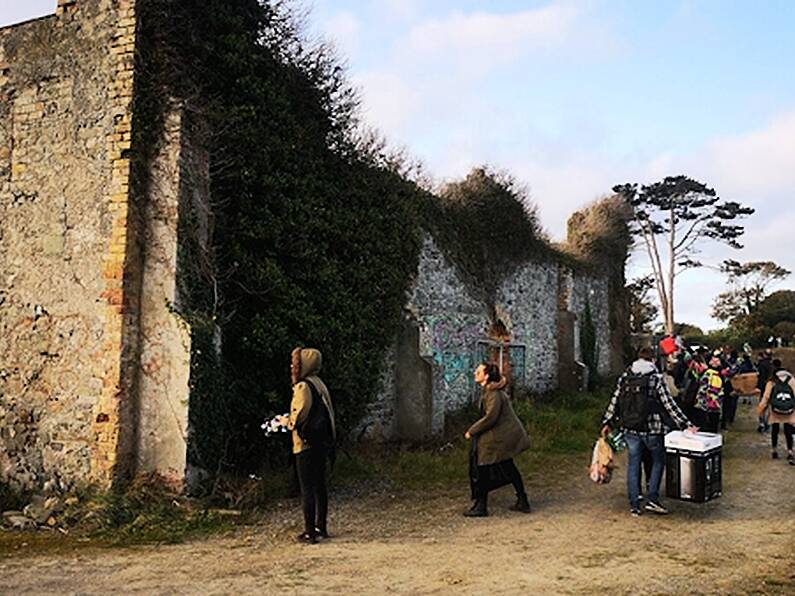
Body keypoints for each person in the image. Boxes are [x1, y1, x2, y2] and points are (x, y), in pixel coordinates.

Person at [601, 347, 697, 517]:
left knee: (633, 464)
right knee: (658, 462)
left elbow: (615, 400)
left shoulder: (625, 377)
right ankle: (652, 498)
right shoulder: (656, 378)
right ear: (652, 360)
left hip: (630, 428)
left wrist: (607, 421)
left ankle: (634, 504)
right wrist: (686, 424)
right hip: (653, 429)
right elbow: (669, 405)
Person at [280, 347, 336, 544]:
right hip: (321, 442)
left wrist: (285, 422)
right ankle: (321, 526)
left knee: (307, 487)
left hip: (306, 443)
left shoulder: (303, 387)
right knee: (320, 485)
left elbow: (300, 413)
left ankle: (309, 531)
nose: (292, 367)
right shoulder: (319, 383)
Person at [464, 362, 531, 517]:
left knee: (483, 467)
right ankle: (522, 500)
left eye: (479, 371)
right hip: (501, 434)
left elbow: (490, 418)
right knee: (507, 466)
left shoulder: (493, 394)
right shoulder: (490, 391)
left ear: (486, 376)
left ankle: (481, 506)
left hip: (500, 436)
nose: (475, 373)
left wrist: (472, 431)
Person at [758, 359, 795, 465]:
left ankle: (774, 450)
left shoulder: (772, 380)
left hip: (775, 409)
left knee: (775, 429)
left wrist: (761, 408)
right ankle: (790, 451)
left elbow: (766, 396)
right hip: (789, 409)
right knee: (788, 430)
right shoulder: (792, 380)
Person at [692, 354, 724, 433]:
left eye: (718, 360)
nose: (717, 362)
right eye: (715, 360)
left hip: (702, 405)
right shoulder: (714, 374)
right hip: (711, 407)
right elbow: (714, 392)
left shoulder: (707, 373)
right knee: (710, 430)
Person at [756, 350, 774, 433]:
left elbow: (761, 377)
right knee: (770, 406)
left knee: (762, 406)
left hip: (764, 387)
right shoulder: (773, 364)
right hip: (772, 387)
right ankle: (768, 422)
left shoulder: (762, 364)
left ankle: (762, 423)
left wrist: (758, 387)